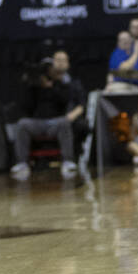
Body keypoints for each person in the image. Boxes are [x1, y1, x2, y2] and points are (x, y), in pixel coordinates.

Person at [9, 51, 85, 180]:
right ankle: (22, 163)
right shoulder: (35, 85)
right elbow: (26, 106)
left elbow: (65, 100)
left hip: (56, 122)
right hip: (37, 122)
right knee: (22, 124)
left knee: (64, 122)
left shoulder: (64, 83)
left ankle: (67, 161)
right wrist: (31, 85)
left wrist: (52, 86)